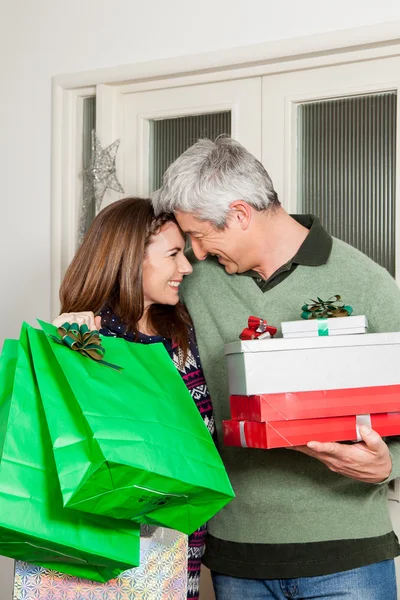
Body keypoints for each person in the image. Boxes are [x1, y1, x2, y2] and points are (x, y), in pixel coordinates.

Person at [152, 136, 400, 600]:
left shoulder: (367, 281)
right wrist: (79, 324)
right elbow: (128, 320)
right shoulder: (190, 281)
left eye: (202, 235)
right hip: (237, 561)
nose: (196, 253)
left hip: (347, 557)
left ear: (241, 214)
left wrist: (389, 464)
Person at [53, 196, 216, 600]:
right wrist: (61, 346)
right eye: (174, 254)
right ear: (130, 259)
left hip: (179, 540)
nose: (187, 267)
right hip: (106, 545)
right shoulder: (85, 337)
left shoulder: (179, 328)